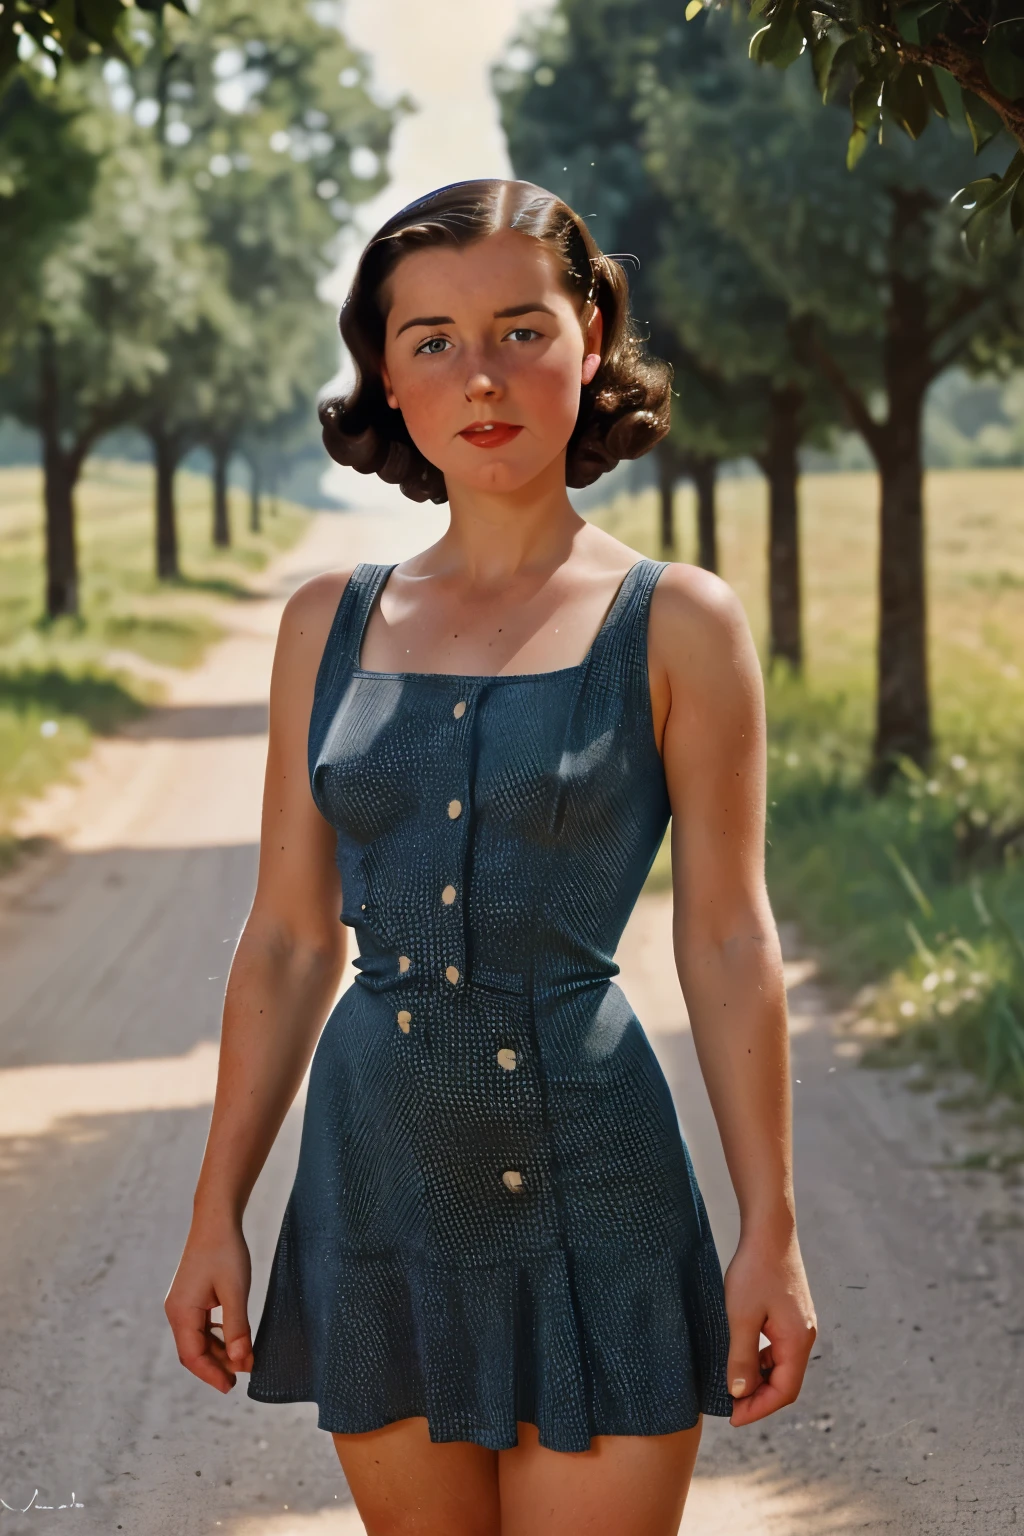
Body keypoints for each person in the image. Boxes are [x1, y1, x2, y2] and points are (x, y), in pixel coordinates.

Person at [165, 178, 816, 1536]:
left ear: (590, 336)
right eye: (433, 342)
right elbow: (287, 940)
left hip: (606, 1179)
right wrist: (214, 1210)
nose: (484, 376)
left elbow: (729, 936)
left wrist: (774, 1226)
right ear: (386, 380)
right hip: (378, 1179)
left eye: (523, 329)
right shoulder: (323, 624)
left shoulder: (680, 622)